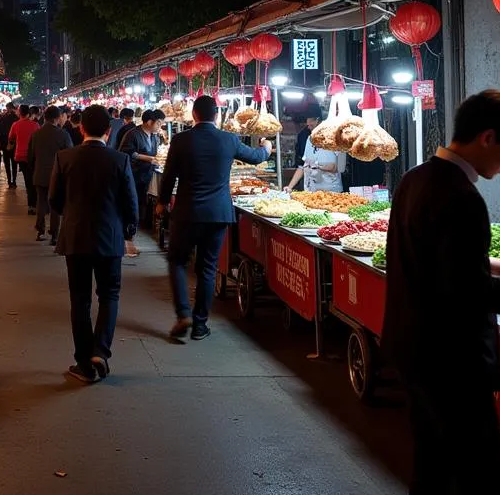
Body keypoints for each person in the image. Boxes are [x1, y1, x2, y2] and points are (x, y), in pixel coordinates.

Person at [382, 90, 500, 495]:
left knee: (432, 474)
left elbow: (428, 259)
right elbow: (463, 294)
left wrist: (492, 263)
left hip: (415, 350)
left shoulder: (417, 179)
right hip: (449, 361)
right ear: (487, 137)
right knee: (479, 486)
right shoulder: (459, 196)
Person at [158, 95, 273, 340]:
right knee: (208, 268)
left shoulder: (180, 140)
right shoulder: (228, 139)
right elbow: (256, 157)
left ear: (194, 115)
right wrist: (266, 148)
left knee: (177, 261)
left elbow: (168, 176)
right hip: (218, 214)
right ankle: (200, 324)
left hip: (187, 212)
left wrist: (161, 201)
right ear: (217, 115)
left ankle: (183, 315)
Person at [49, 104, 139, 383]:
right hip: (109, 239)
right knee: (109, 295)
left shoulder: (64, 158)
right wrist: (127, 232)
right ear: (109, 131)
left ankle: (84, 362)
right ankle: (100, 352)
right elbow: (131, 203)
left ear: (81, 128)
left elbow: (54, 200)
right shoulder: (119, 160)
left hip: (75, 238)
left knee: (80, 299)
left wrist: (74, 215)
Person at [28, 105, 73, 242]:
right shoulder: (63, 134)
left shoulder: (36, 134)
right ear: (56, 118)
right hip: (57, 175)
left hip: (40, 173)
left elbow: (30, 156)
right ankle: (54, 234)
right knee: (55, 205)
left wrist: (34, 169)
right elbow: (69, 155)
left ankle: (40, 231)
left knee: (41, 202)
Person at [120, 109, 165, 244]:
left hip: (148, 174)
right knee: (133, 202)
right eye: (158, 124)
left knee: (143, 202)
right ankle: (129, 231)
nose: (159, 127)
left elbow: (155, 153)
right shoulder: (133, 134)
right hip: (134, 174)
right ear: (149, 122)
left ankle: (140, 225)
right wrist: (148, 159)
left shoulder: (154, 136)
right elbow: (127, 153)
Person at [283, 114, 344, 193]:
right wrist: (290, 187)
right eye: (308, 125)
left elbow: (341, 168)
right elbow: (303, 166)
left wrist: (320, 167)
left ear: (319, 122)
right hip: (311, 192)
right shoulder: (309, 139)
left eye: (311, 125)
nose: (308, 128)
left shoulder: (337, 139)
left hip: (332, 192)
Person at [8, 105, 40, 214]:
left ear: (19, 112)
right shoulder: (35, 125)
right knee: (33, 179)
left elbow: (11, 138)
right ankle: (35, 203)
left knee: (28, 180)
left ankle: (31, 205)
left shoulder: (15, 125)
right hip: (33, 156)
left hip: (21, 156)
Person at [0, 103, 19, 187]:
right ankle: (13, 180)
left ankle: (9, 181)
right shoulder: (17, 119)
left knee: (7, 163)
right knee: (14, 164)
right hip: (14, 144)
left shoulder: (3, 118)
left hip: (5, 144)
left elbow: (0, 130)